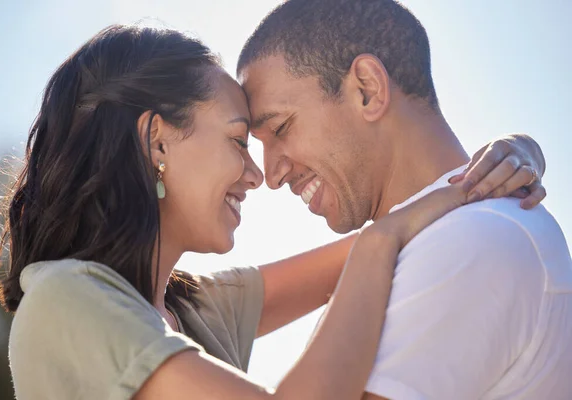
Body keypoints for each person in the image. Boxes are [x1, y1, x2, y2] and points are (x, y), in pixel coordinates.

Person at [0, 25, 548, 400]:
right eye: (238, 140)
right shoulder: (65, 299)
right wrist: (380, 242)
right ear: (157, 143)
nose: (259, 176)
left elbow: (424, 220)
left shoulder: (193, 310)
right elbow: (388, 240)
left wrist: (510, 154)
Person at [236, 0, 572, 398]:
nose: (271, 174)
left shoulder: (473, 241)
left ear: (368, 89)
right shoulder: (432, 242)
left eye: (281, 127)